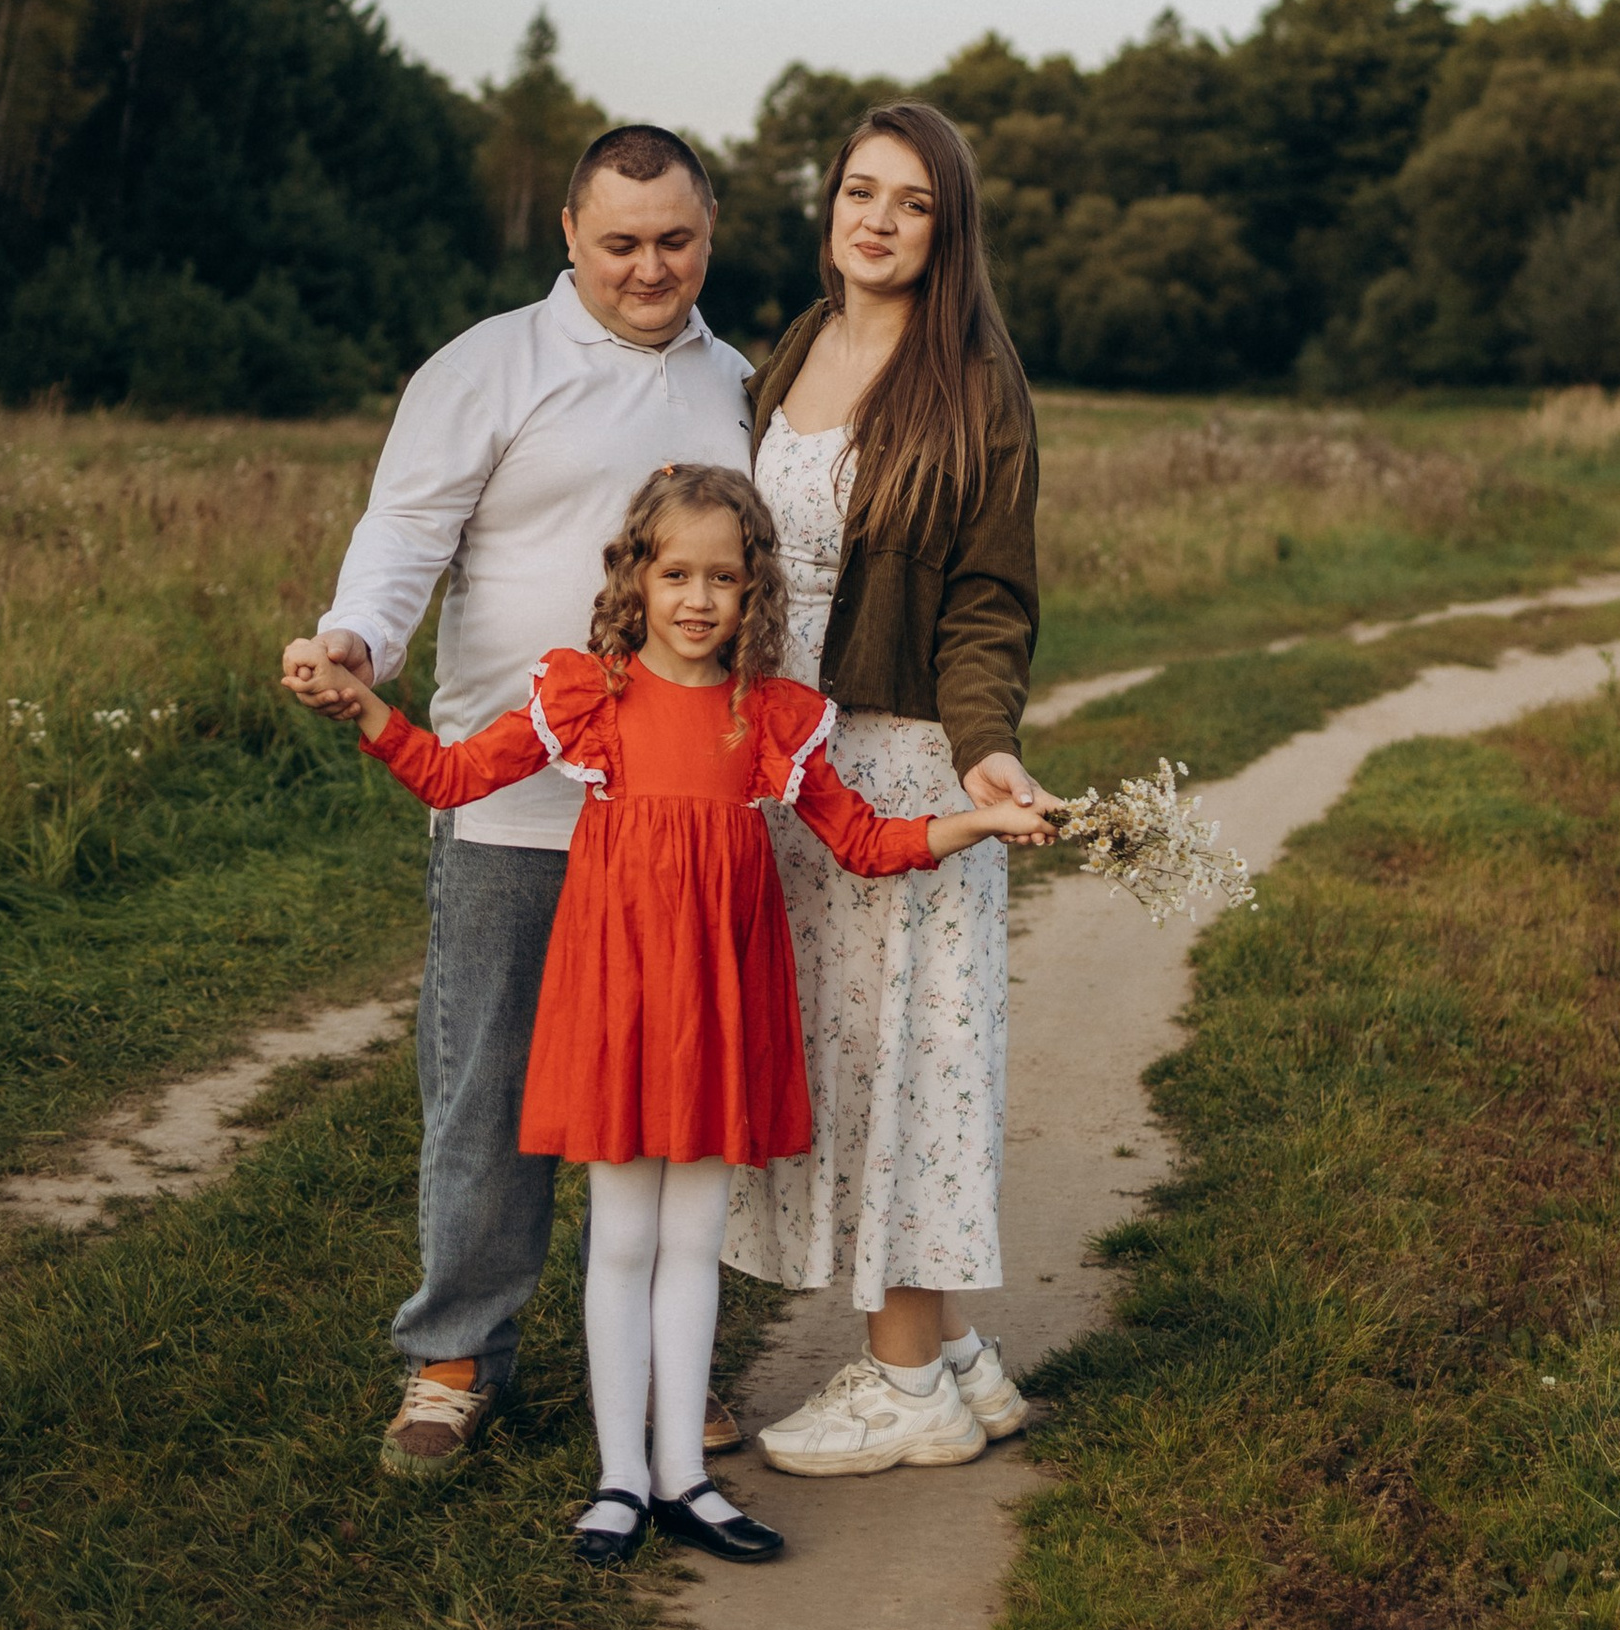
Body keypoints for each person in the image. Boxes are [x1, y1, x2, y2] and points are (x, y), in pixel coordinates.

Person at [288, 463, 1051, 1565]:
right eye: (675, 572)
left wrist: (979, 825)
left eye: (724, 579)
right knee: (623, 1242)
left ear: (754, 595)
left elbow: (866, 842)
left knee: (691, 1239)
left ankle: (687, 1480)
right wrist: (366, 708)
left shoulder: (773, 718)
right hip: (615, 999)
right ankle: (619, 1479)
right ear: (634, 579)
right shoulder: (586, 697)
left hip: (720, 1005)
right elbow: (453, 778)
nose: (697, 599)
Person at [280, 124, 751, 1483]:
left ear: (708, 234)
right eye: (621, 243)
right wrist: (358, 639)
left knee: (668, 1094)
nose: (650, 268)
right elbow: (406, 531)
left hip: (679, 819)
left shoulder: (739, 384)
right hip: (517, 807)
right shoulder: (488, 366)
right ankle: (453, 1360)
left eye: (675, 240)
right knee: (488, 1086)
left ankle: (664, 1360)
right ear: (568, 235)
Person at [727, 101, 1046, 1478]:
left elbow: (988, 598)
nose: (878, 219)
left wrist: (981, 745)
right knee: (852, 1063)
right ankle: (956, 1352)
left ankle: (905, 1382)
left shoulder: (971, 381)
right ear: (830, 207)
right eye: (861, 191)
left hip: (899, 752)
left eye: (911, 203)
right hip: (787, 757)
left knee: (912, 1063)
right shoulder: (798, 348)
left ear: (947, 227)